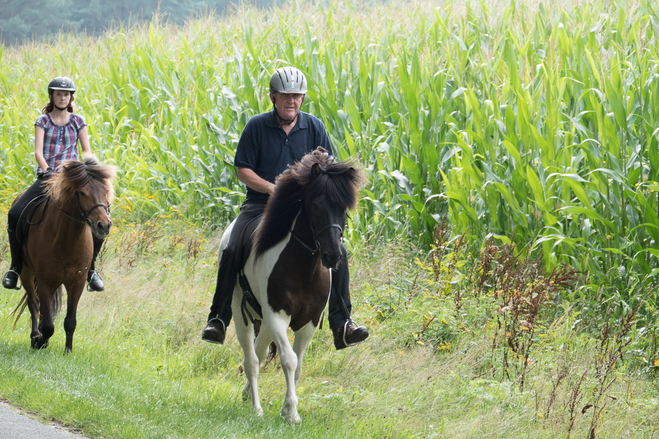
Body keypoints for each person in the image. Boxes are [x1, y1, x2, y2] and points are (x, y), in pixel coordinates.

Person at [202, 66, 369, 350]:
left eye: (297, 96)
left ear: (302, 98)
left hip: (304, 211)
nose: (291, 101)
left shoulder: (314, 126)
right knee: (231, 247)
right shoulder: (256, 126)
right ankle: (218, 318)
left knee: (337, 250)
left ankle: (343, 324)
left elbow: (327, 171)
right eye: (285, 96)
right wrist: (271, 188)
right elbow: (243, 170)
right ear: (273, 97)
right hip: (260, 204)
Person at [2, 76, 105, 292]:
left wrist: (90, 166)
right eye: (58, 94)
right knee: (15, 212)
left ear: (70, 98)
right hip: (48, 178)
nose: (62, 98)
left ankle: (92, 270)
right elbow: (38, 151)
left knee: (100, 217)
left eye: (66, 94)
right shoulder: (43, 121)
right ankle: (14, 267)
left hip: (72, 181)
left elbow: (86, 150)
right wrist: (48, 169)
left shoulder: (78, 121)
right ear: (52, 96)